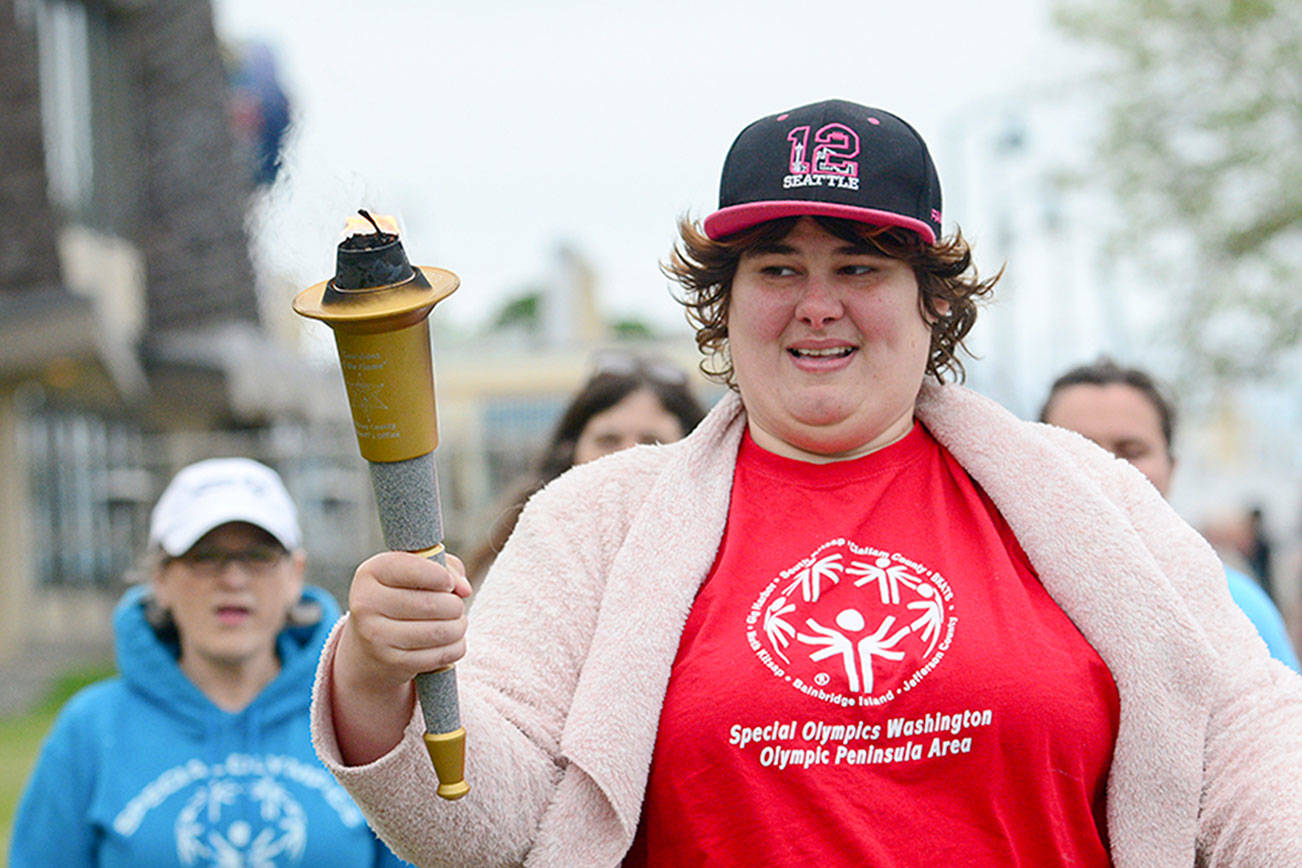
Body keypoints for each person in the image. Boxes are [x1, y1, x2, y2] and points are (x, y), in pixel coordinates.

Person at [309, 99, 1302, 867]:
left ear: (933, 300)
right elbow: (486, 824)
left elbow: (1245, 737)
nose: (817, 306)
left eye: (861, 267)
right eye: (777, 267)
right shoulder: (597, 518)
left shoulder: (1088, 497)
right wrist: (379, 679)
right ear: (725, 302)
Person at [10, 458, 412, 868]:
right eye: (205, 556)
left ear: (295, 574)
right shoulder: (91, 729)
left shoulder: (358, 720)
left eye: (258, 555)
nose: (234, 579)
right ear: (160, 580)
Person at [1039, 358, 1300, 670]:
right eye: (1077, 447)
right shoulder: (993, 598)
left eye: (1132, 450)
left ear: (1172, 468)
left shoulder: (1236, 608)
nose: (1105, 465)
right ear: (1036, 460)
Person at [464, 352, 707, 586]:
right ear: (569, 450)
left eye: (652, 441)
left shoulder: (718, 553)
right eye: (608, 440)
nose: (628, 457)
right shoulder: (516, 558)